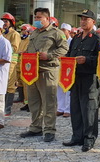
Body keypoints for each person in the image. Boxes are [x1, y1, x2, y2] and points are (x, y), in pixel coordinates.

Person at [19, 7, 69, 142]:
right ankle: (35, 128)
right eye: (35, 17)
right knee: (34, 102)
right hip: (32, 71)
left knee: (49, 102)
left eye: (39, 17)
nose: (36, 20)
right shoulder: (34, 33)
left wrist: (49, 55)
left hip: (48, 71)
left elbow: (64, 49)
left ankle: (49, 130)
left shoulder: (56, 33)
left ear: (47, 19)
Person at [63, 10, 100, 152]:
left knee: (89, 110)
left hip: (89, 78)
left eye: (87, 19)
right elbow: (69, 54)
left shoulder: (97, 39)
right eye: (82, 19)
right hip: (75, 77)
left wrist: (87, 60)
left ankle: (89, 139)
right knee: (76, 108)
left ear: (93, 22)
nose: (83, 21)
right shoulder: (76, 38)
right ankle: (77, 137)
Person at [1, 12, 21, 116]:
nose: (4, 23)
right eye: (3, 21)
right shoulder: (3, 34)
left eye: (6, 21)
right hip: (2, 62)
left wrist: (2, 49)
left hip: (11, 62)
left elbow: (15, 48)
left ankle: (7, 108)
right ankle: (1, 106)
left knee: (10, 85)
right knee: (2, 84)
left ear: (11, 23)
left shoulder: (14, 34)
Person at [15, 24, 35, 112]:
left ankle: (30, 104)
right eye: (22, 30)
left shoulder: (30, 40)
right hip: (19, 64)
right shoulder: (21, 40)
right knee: (21, 85)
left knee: (27, 86)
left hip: (26, 65)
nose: (22, 32)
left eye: (24, 30)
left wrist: (22, 52)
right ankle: (25, 102)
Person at [57, 23, 73, 118]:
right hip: (59, 66)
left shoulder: (72, 41)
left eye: (64, 30)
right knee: (59, 88)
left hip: (68, 66)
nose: (62, 32)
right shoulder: (59, 41)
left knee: (67, 88)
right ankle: (60, 108)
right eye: (61, 29)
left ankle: (68, 109)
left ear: (69, 31)